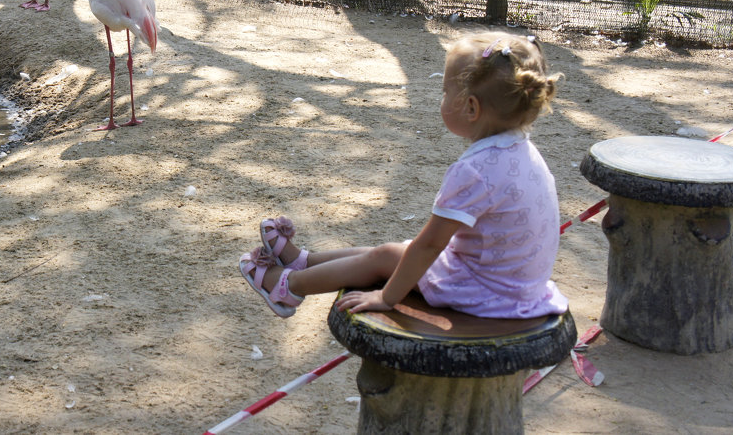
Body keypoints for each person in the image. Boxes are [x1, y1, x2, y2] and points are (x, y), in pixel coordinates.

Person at [240, 32, 569, 320]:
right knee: (390, 251)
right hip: (514, 287)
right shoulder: (522, 151)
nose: (441, 98)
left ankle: (287, 288)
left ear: (471, 108)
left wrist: (386, 297)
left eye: (445, 92)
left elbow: (429, 246)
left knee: (385, 256)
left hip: (486, 294)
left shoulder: (475, 171)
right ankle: (302, 261)